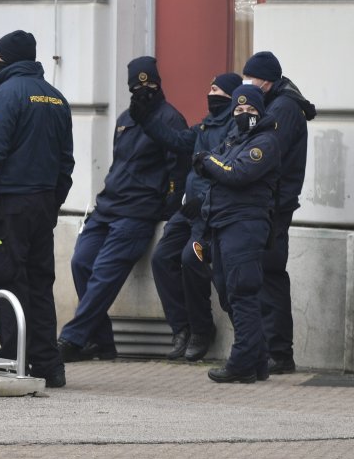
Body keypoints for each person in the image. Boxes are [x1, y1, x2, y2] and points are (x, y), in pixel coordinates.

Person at [0, 30, 74, 388]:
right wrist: (52, 202)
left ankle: (14, 357)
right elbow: (66, 162)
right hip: (42, 204)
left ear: (4, 59)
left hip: (8, 205)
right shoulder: (57, 98)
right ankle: (48, 363)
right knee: (40, 282)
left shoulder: (5, 95)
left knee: (4, 277)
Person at [57, 56, 188, 363]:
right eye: (137, 85)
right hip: (107, 208)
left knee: (104, 273)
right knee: (81, 263)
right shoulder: (125, 119)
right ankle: (101, 343)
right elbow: (119, 164)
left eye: (149, 83)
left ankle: (73, 338)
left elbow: (177, 174)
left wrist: (164, 210)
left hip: (137, 214)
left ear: (158, 83)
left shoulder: (171, 120)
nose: (144, 89)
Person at [131, 73, 242, 361]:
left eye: (216, 89)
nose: (210, 93)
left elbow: (227, 169)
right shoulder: (205, 125)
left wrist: (203, 201)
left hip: (208, 209)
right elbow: (175, 140)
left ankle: (202, 330)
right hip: (187, 208)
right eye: (210, 87)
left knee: (190, 259)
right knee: (161, 258)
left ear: (230, 95)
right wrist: (145, 119)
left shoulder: (234, 128)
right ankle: (182, 327)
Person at [192, 84, 280, 383]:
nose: (244, 115)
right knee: (229, 294)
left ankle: (241, 363)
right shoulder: (234, 140)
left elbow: (235, 174)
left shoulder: (265, 142)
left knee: (242, 293)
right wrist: (211, 161)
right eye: (239, 110)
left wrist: (208, 160)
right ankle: (258, 360)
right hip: (222, 224)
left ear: (261, 112)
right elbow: (217, 166)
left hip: (245, 226)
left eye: (251, 110)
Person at [242, 51, 316, 375]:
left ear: (266, 81)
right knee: (265, 275)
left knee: (270, 276)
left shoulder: (283, 108)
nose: (246, 85)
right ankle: (270, 349)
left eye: (250, 79)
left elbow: (267, 151)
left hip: (274, 206)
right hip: (271, 203)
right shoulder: (278, 103)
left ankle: (279, 353)